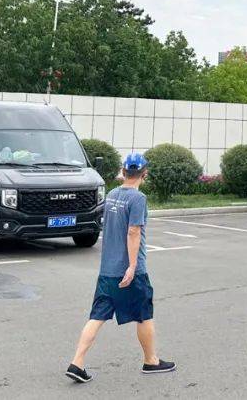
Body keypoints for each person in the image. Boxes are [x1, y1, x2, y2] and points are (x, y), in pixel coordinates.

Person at [66, 152, 175, 383]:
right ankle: (151, 361)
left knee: (98, 315)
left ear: (123, 172)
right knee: (144, 314)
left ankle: (77, 363)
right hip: (130, 271)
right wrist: (133, 266)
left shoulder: (113, 195)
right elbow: (133, 231)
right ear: (144, 174)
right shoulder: (138, 199)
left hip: (107, 270)